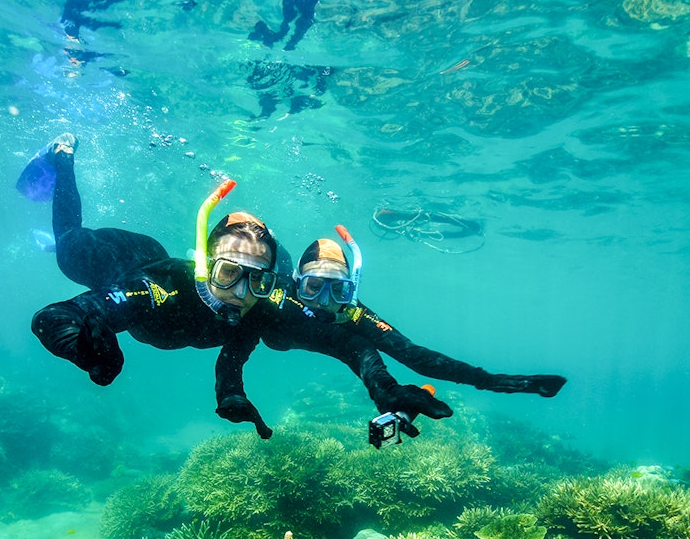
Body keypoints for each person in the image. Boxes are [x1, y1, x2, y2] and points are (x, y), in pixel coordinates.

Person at [25, 135, 451, 437]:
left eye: (260, 279)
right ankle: (62, 154)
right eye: (229, 274)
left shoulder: (264, 300)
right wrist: (82, 348)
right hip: (121, 258)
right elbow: (55, 318)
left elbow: (344, 340)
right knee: (68, 247)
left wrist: (382, 385)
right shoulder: (158, 288)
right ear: (207, 266)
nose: (243, 293)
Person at [212, 227, 565, 435]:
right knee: (271, 255)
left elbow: (412, 356)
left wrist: (499, 382)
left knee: (365, 344)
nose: (324, 301)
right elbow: (236, 347)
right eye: (313, 287)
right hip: (280, 293)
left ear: (352, 291)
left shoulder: (352, 316)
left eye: (338, 290)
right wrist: (230, 393)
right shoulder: (270, 299)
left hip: (331, 335)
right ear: (295, 285)